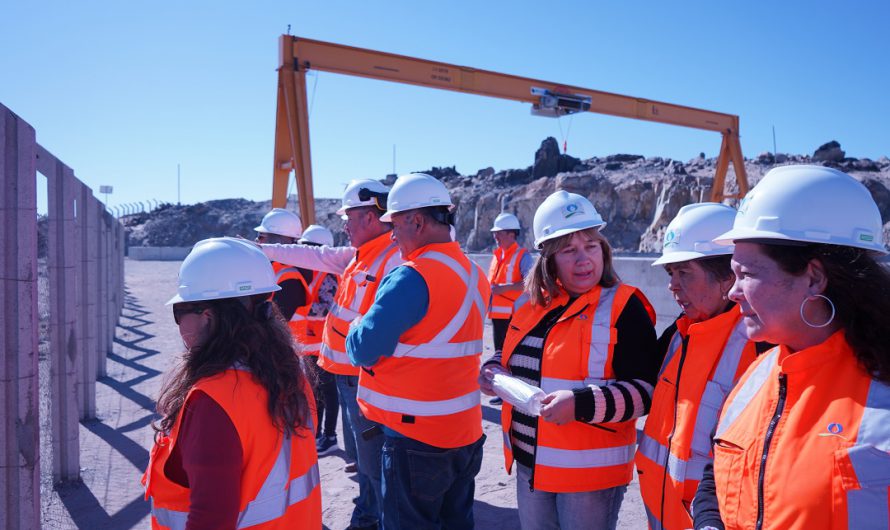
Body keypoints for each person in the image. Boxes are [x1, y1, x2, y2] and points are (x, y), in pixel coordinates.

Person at [692, 165, 890, 530]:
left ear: (813, 277)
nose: (732, 292)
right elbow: (717, 475)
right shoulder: (758, 373)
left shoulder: (882, 391)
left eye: (747, 274)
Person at [479, 190, 661, 530]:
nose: (584, 260)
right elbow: (519, 355)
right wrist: (494, 369)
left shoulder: (625, 307)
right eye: (569, 250)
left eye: (591, 246)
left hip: (588, 481)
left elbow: (645, 391)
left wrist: (579, 404)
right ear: (548, 259)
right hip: (530, 464)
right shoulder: (532, 304)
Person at [143, 237, 320, 529]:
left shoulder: (212, 402)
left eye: (180, 312)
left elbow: (209, 519)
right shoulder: (291, 373)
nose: (180, 325)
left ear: (208, 316)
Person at [346, 173, 491, 530]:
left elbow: (364, 349)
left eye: (394, 225)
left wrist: (353, 327)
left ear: (417, 221)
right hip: (465, 435)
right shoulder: (475, 274)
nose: (392, 236)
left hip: (416, 440)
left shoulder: (412, 276)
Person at [260, 179, 401, 530]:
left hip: (366, 375)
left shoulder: (392, 258)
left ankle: (373, 518)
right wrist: (261, 250)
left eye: (349, 217)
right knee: (365, 457)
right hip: (347, 372)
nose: (344, 225)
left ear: (370, 217)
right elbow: (311, 254)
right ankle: (369, 510)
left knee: (372, 458)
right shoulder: (360, 255)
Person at [635, 203, 762, 530]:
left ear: (727, 279)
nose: (672, 285)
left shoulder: (758, 346)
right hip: (660, 513)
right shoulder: (679, 333)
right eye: (670, 274)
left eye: (684, 273)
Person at [292, 224, 342, 456]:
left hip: (325, 343)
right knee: (316, 390)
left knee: (327, 390)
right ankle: (318, 434)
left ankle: (329, 436)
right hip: (312, 344)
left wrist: (298, 305)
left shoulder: (328, 275)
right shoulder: (315, 273)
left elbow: (325, 309)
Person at [487, 212, 533, 406]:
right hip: (498, 316)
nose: (496, 237)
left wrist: (502, 289)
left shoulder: (522, 256)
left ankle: (514, 394)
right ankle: (505, 392)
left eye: (500, 233)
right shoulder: (498, 256)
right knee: (500, 355)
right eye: (495, 233)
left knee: (511, 356)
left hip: (513, 316)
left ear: (512, 234)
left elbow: (530, 281)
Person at [254, 208, 311, 334]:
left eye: (261, 236)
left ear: (277, 242)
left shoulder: (290, 280)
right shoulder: (271, 270)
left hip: (282, 351)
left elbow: (274, 326)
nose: (256, 241)